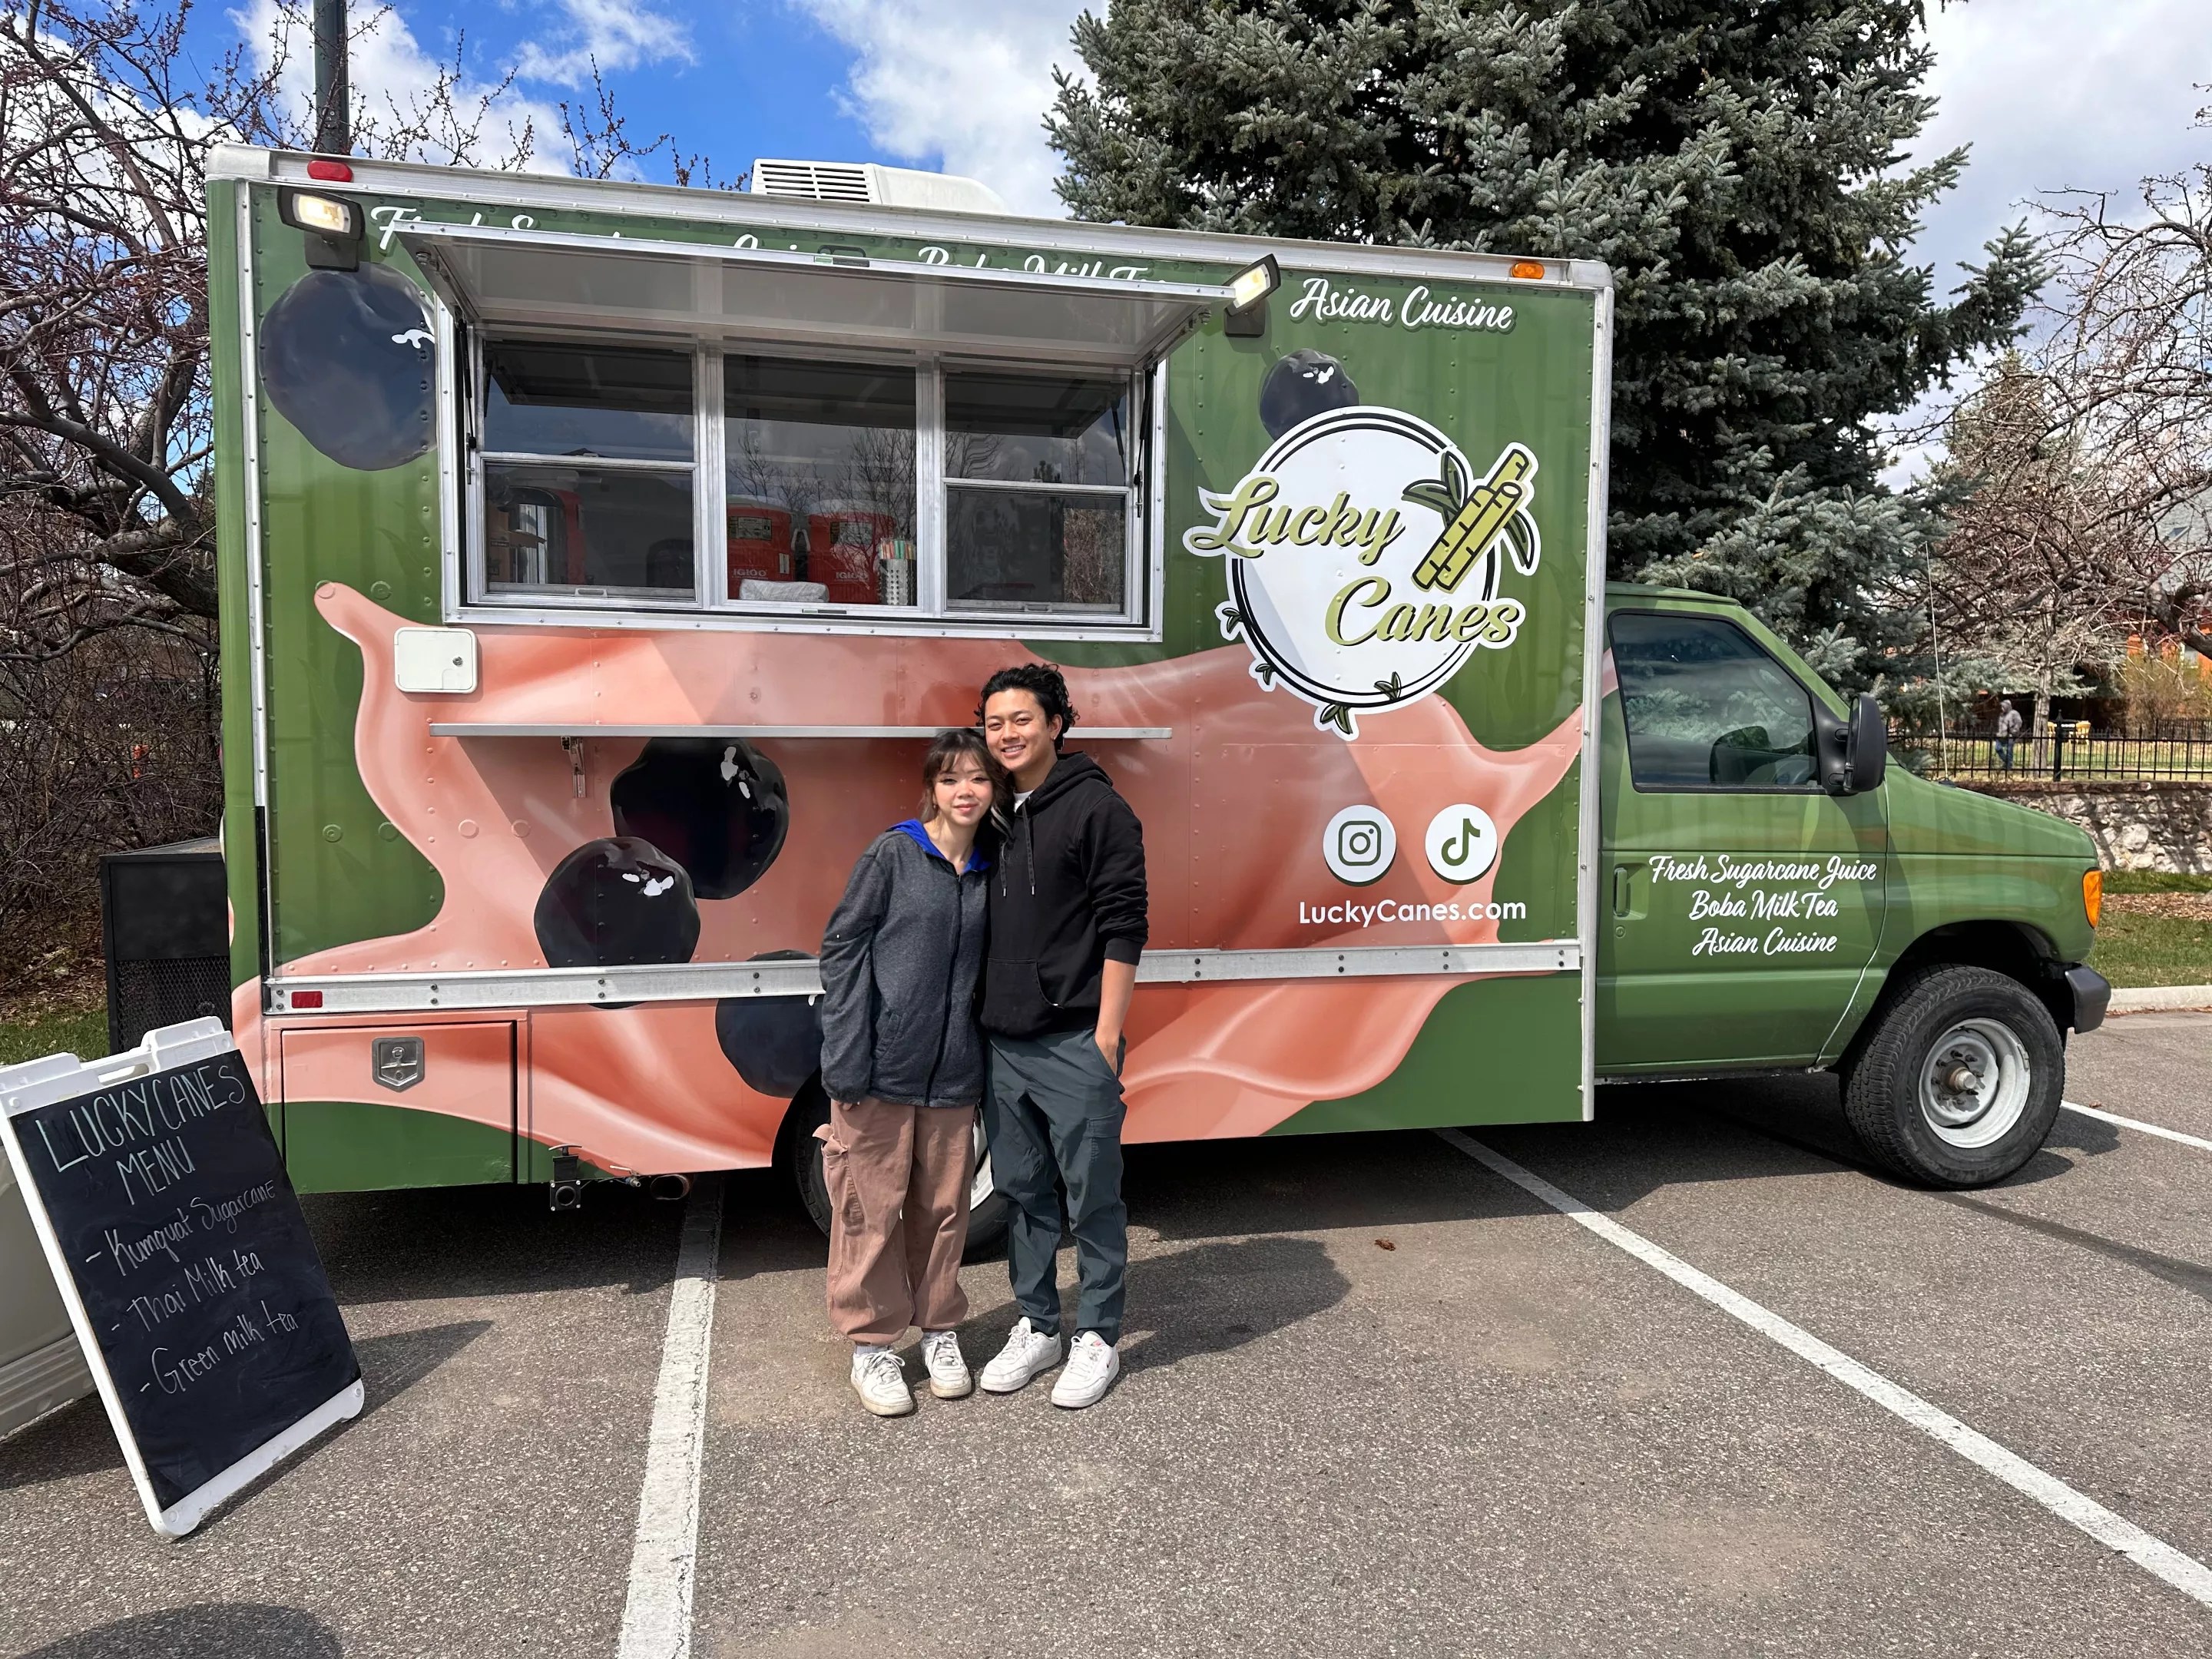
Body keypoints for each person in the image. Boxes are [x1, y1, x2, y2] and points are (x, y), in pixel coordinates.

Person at [816, 728, 1006, 1417]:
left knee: (945, 1212)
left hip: (954, 1073)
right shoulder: (894, 854)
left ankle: (940, 1331)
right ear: (931, 788)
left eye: (978, 778)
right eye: (951, 779)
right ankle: (871, 1345)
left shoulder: (992, 864)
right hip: (879, 1070)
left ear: (994, 788)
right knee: (870, 1212)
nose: (965, 791)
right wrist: (846, 1053)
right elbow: (842, 950)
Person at [972, 664, 1147, 1409]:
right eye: (994, 724)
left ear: (1055, 724)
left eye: (1021, 720)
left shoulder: (1098, 810)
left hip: (1076, 1040)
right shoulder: (988, 810)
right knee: (1022, 1193)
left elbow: (1125, 925)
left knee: (1092, 1197)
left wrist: (1107, 1035)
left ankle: (1098, 1335)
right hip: (1003, 1043)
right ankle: (1040, 1324)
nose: (1007, 734)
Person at [1994, 698, 2023, 771]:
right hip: (2001, 735)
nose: (2002, 708)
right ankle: (2007, 762)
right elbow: (2000, 725)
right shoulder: (2002, 715)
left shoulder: (2014, 713)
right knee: (1998, 748)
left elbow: (2019, 723)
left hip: (2010, 735)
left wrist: (2014, 732)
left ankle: (2009, 767)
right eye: (2002, 706)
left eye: (2003, 706)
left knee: (2009, 750)